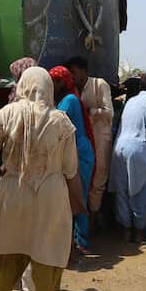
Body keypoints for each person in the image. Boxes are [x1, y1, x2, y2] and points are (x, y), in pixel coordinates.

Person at [0, 66, 80, 291]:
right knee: (46, 252)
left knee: (4, 250)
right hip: (50, 193)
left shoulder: (8, 113)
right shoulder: (62, 121)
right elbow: (70, 167)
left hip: (13, 190)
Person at [111, 71, 146, 243]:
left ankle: (126, 231)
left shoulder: (131, 101)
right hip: (138, 146)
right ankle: (139, 233)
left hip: (119, 147)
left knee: (122, 191)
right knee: (140, 191)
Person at [51, 66, 94, 253]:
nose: (52, 85)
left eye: (55, 81)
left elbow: (56, 123)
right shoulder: (66, 99)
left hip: (79, 153)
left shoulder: (69, 100)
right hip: (73, 152)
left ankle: (81, 242)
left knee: (78, 196)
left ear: (63, 82)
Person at [66, 56, 113, 216]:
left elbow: (109, 113)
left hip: (100, 137)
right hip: (83, 140)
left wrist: (90, 112)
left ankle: (93, 215)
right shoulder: (72, 89)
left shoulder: (99, 85)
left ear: (84, 71)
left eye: (74, 72)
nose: (72, 76)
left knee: (98, 178)